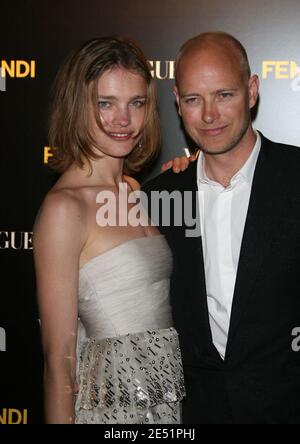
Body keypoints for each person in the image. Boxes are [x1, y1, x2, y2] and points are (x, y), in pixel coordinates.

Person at [143, 32, 300, 424]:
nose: (209, 115)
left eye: (224, 95)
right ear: (178, 102)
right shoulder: (155, 200)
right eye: (194, 99)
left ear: (251, 91)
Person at [33, 36, 185, 424]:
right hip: (111, 411)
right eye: (105, 103)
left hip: (161, 404)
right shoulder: (64, 209)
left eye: (136, 103)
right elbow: (58, 364)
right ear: (77, 107)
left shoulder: (133, 190)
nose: (123, 120)